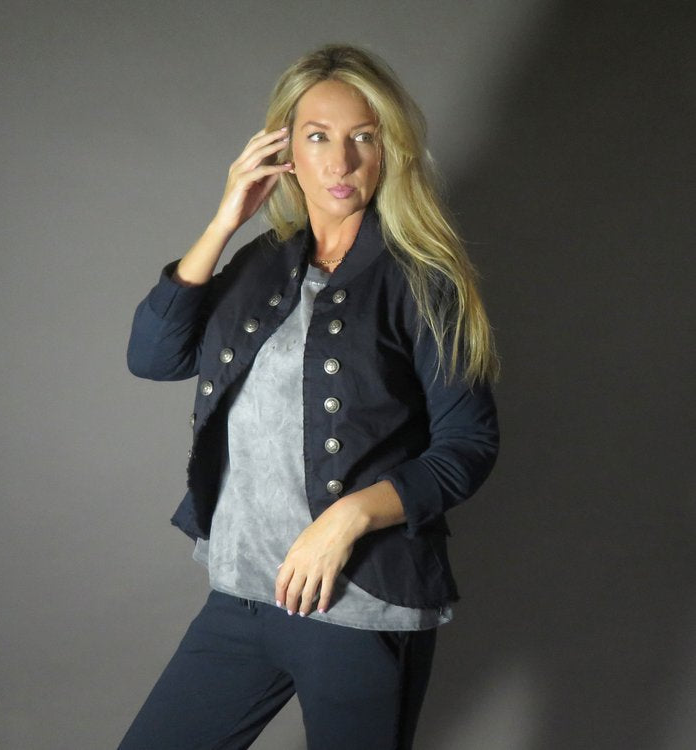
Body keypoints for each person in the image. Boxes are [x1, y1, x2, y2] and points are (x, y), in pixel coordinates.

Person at [120, 43, 500, 750]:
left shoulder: (423, 279)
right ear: (285, 150)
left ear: (389, 150)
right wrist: (225, 220)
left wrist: (347, 519)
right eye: (318, 137)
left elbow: (468, 445)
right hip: (243, 597)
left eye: (364, 137)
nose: (342, 161)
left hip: (359, 605)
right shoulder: (259, 263)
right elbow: (153, 357)